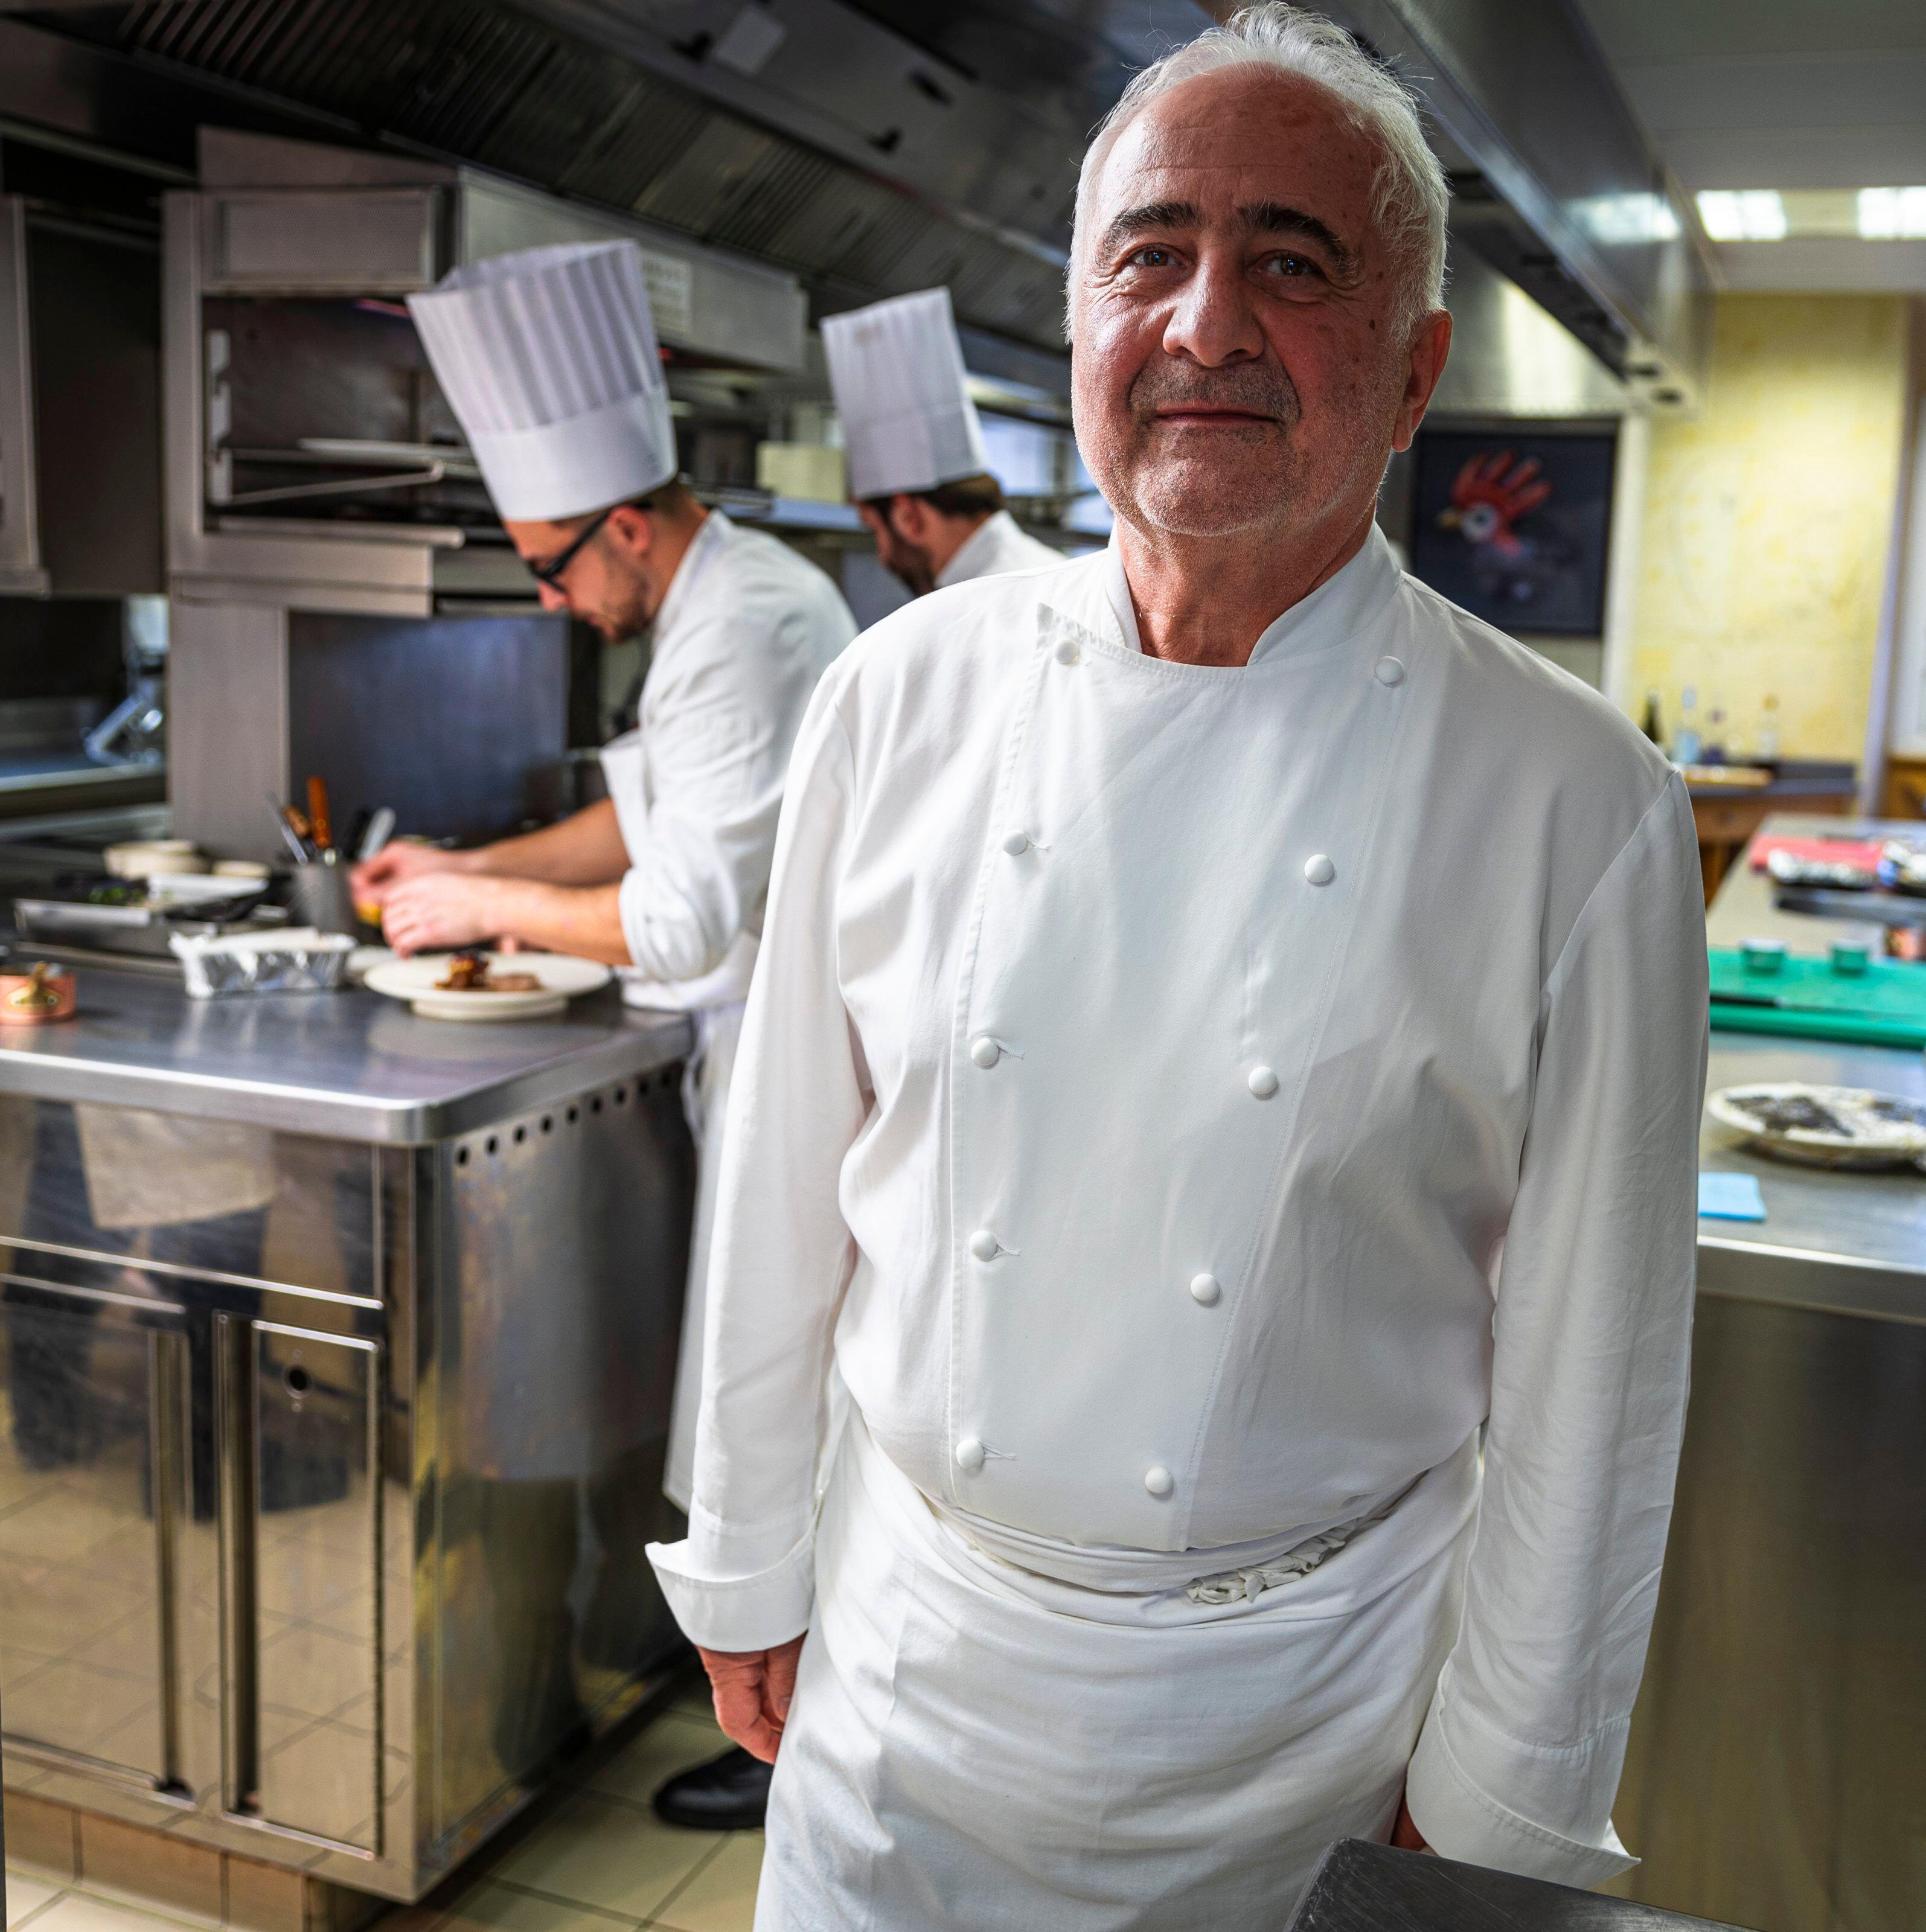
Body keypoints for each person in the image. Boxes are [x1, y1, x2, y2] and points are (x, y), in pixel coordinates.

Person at [645, 7, 1707, 1925]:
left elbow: (1595, 1378)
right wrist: (743, 1556)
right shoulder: (902, 697)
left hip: (1300, 1723)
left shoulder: (1576, 802)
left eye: (1291, 263)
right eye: (1151, 254)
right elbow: (781, 1176)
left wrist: (1501, 1789)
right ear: (1076, 327)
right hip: (900, 1673)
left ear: (1411, 370)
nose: (1205, 323)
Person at [352, 240, 856, 1833]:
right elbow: (640, 822)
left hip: (802, 1080)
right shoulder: (715, 603)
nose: (554, 600)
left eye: (556, 566)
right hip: (754, 1066)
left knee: (786, 1401)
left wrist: (479, 929)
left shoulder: (746, 627)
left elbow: (684, 914)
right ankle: (783, 1726)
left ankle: (801, 1750)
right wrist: (465, 870)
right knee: (758, 1400)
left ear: (626, 524)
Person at [823, 286, 1066, 593]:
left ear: (908, 517)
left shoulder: (982, 601)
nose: (882, 556)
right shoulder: (1050, 572)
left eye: (875, 531)